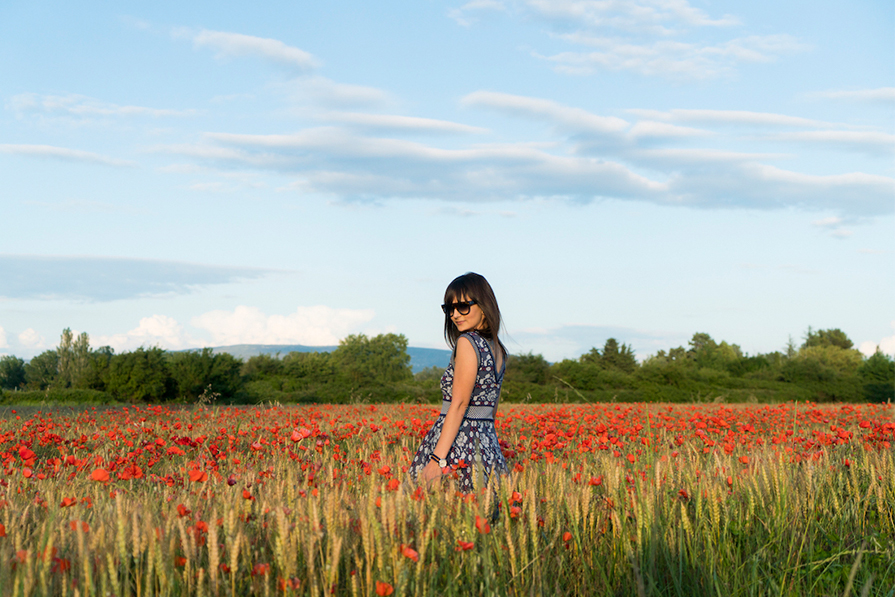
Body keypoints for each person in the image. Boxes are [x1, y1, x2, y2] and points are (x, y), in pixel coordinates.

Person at [409, 272, 509, 493]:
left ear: (484, 305)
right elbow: (491, 411)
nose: (455, 314)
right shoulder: (499, 349)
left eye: (463, 306)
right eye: (449, 308)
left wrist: (437, 460)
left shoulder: (467, 342)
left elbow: (460, 404)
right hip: (487, 444)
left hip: (458, 444)